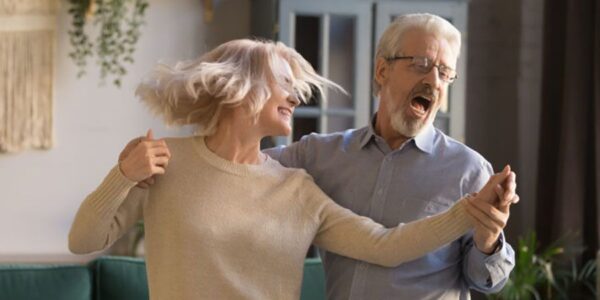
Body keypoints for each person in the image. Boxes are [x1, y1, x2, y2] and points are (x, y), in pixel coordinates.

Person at [68, 39, 516, 299]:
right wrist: (123, 175)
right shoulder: (165, 161)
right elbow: (83, 240)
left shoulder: (296, 189)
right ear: (240, 86)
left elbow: (386, 246)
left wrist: (468, 212)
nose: (297, 98)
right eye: (285, 84)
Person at [264, 13, 518, 299]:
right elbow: (241, 167)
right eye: (421, 65)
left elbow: (488, 281)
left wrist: (488, 241)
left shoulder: (468, 169)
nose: (434, 81)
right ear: (382, 70)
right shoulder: (320, 155)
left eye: (445, 73)